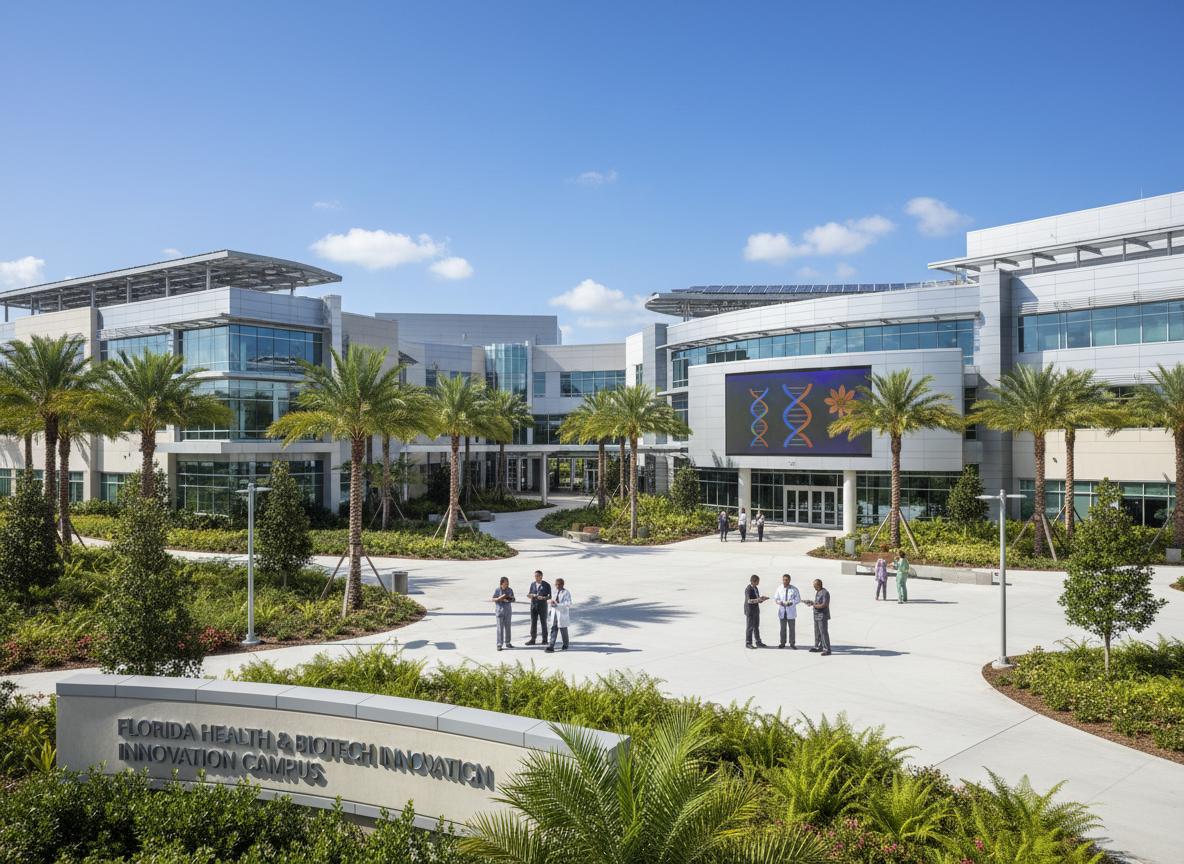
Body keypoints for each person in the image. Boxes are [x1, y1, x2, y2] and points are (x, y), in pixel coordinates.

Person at [804, 578, 832, 655]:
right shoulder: (818, 592)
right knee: (817, 632)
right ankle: (817, 647)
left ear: (819, 585)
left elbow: (824, 604)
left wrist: (813, 605)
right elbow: (817, 603)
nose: (814, 587)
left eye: (815, 586)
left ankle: (827, 649)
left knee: (823, 632)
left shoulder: (825, 593)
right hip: (816, 615)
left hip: (822, 615)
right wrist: (811, 602)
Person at [545, 577, 572, 652]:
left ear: (563, 584)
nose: (557, 586)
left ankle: (565, 644)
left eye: (559, 584)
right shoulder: (554, 591)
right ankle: (551, 645)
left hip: (562, 614)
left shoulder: (566, 592)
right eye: (556, 584)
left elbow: (569, 603)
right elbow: (551, 600)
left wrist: (558, 605)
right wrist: (550, 603)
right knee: (553, 629)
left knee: (563, 630)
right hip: (554, 613)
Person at [525, 569, 551, 645]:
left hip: (542, 606)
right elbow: (529, 594)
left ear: (541, 576)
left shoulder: (546, 585)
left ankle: (545, 640)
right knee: (533, 623)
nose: (536, 577)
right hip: (533, 606)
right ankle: (533, 639)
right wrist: (531, 595)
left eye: (538, 576)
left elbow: (549, 596)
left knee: (543, 623)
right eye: (535, 576)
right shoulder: (532, 584)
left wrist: (543, 598)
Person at [774, 573, 799, 649]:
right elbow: (776, 598)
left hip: (790, 612)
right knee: (782, 629)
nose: (785, 581)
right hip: (782, 612)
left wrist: (791, 603)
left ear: (789, 580)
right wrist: (779, 602)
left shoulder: (794, 589)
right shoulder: (779, 588)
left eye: (786, 580)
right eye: (784, 579)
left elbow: (798, 599)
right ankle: (782, 643)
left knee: (792, 629)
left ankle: (792, 643)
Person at [491, 576, 515, 650]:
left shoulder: (510, 590)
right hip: (499, 611)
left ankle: (508, 642)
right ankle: (499, 644)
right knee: (500, 628)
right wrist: (499, 598)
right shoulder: (497, 590)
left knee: (508, 627)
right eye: (505, 583)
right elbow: (493, 599)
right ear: (501, 583)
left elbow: (513, 599)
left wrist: (509, 599)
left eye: (507, 583)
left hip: (508, 611)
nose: (506, 585)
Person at [744, 574, 768, 648]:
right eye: (758, 581)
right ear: (753, 581)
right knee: (750, 627)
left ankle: (758, 641)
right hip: (750, 611)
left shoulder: (756, 588)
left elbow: (757, 599)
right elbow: (749, 601)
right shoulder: (748, 589)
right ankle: (748, 643)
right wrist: (758, 600)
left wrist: (761, 599)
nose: (758, 583)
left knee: (756, 626)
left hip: (756, 610)